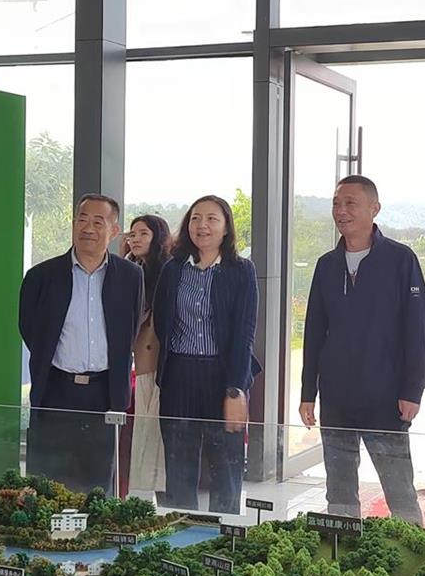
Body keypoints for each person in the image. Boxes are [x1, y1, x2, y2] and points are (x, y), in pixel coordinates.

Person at [300, 175, 425, 524]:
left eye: (350, 203)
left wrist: (413, 390)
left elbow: (418, 329)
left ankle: (414, 547)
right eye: (336, 203)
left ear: (375, 208)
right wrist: (308, 393)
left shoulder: (400, 260)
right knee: (339, 493)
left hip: (386, 398)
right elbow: (314, 332)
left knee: (400, 491)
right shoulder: (326, 265)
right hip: (337, 399)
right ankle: (342, 550)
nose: (341, 211)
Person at [19, 194, 144, 495]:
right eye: (82, 219)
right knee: (46, 484)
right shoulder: (41, 276)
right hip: (55, 390)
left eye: (98, 222)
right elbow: (29, 328)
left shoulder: (131, 276)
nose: (88, 228)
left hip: (104, 393)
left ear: (114, 231)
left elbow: (131, 328)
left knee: (98, 486)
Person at [152, 195, 259, 515]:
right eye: (196, 218)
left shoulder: (241, 270)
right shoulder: (173, 269)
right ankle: (181, 531)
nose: (202, 225)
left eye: (212, 219)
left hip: (222, 376)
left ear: (226, 228)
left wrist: (236, 389)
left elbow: (244, 334)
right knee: (178, 466)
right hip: (178, 376)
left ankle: (225, 535)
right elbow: (162, 321)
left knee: (226, 467)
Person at [121, 213, 172, 501]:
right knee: (143, 430)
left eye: (143, 233)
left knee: (155, 431)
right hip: (140, 364)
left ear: (157, 237)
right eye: (132, 234)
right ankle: (142, 495)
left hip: (158, 365)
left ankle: (158, 495)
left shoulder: (164, 271)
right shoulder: (132, 268)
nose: (135, 239)